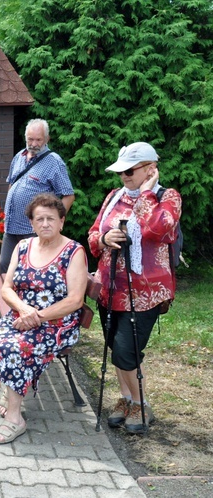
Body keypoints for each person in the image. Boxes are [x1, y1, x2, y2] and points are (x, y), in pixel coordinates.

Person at [0, 193, 88, 444]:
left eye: (51, 218)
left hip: (57, 323)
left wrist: (37, 316)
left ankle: (15, 419)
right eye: (39, 219)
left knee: (18, 348)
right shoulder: (23, 246)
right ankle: (12, 391)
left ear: (62, 221)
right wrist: (24, 310)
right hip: (22, 315)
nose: (45, 224)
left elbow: (75, 301)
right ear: (32, 223)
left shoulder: (74, 251)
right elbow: (7, 288)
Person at [88, 142, 180, 434]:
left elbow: (157, 229)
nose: (124, 177)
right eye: (121, 172)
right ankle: (126, 399)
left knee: (127, 351)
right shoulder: (114, 197)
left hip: (145, 293)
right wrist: (105, 238)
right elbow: (92, 235)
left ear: (150, 168)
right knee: (115, 347)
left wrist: (148, 193)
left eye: (130, 171)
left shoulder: (168, 197)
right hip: (110, 287)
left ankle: (141, 405)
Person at [0, 119, 75, 320]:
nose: (34, 143)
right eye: (30, 139)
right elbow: (12, 184)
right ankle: (10, 307)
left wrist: (56, 222)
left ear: (47, 139)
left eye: (38, 139)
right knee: (5, 265)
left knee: (29, 273)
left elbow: (68, 195)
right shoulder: (19, 157)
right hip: (12, 227)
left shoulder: (54, 161)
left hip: (34, 229)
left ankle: (28, 311)